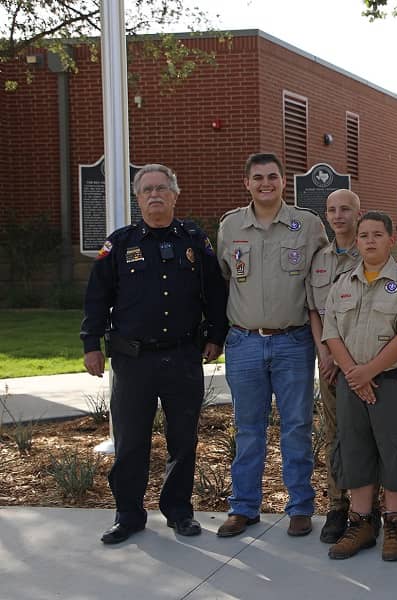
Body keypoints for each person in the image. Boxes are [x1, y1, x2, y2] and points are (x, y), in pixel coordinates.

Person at [81, 163, 228, 544]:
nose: (155, 195)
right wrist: (90, 344)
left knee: (183, 439)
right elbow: (97, 298)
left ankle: (179, 511)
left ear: (176, 195)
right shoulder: (119, 243)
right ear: (137, 197)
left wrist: (216, 335)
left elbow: (214, 291)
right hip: (133, 361)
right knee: (131, 441)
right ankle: (128, 514)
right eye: (146, 189)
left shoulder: (195, 240)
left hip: (182, 356)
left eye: (162, 188)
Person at [216, 152, 327, 539]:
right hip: (244, 342)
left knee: (297, 426)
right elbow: (224, 277)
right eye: (258, 177)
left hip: (293, 342)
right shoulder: (230, 227)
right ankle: (243, 508)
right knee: (248, 429)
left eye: (273, 177)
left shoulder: (308, 225)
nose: (266, 183)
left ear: (284, 182)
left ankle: (300, 506)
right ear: (246, 183)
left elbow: (323, 279)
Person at [322, 212, 397, 562]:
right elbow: (331, 331)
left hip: (393, 381)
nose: (369, 240)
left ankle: (394, 524)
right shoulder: (342, 282)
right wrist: (354, 373)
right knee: (354, 449)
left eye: (377, 235)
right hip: (352, 381)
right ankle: (362, 523)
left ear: (391, 239)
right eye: (363, 235)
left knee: (395, 450)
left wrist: (369, 372)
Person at [306, 188, 380, 544]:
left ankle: (368, 509)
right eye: (332, 210)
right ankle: (337, 505)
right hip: (330, 362)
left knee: (367, 433)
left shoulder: (371, 252)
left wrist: (345, 356)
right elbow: (314, 310)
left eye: (345, 209)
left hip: (363, 361)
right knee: (335, 434)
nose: (338, 216)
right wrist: (325, 352)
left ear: (358, 211)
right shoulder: (319, 259)